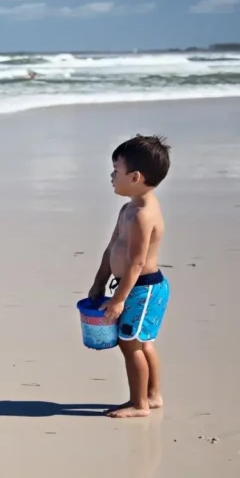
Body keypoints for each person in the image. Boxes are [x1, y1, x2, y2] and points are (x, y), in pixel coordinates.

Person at [88, 135, 172, 418]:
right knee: (142, 341)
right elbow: (112, 246)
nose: (112, 176)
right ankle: (152, 395)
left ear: (135, 177)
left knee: (131, 344)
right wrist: (100, 282)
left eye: (116, 171)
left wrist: (118, 301)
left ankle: (139, 404)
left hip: (142, 289)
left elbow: (136, 263)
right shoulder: (128, 209)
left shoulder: (142, 215)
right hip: (134, 288)